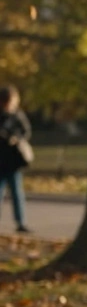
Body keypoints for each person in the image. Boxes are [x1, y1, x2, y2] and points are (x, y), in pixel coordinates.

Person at [0, 85, 32, 234]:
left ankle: (20, 222)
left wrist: (15, 138)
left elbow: (26, 131)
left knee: (17, 194)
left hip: (13, 161)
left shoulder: (17, 116)